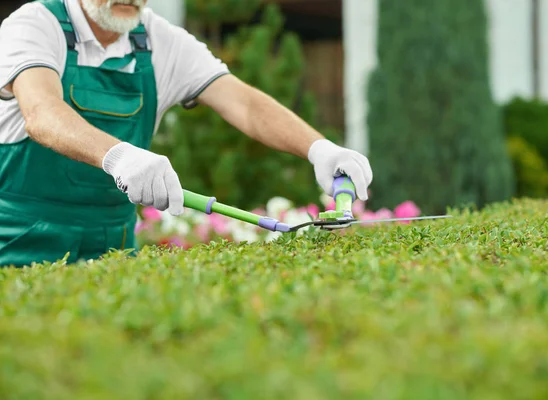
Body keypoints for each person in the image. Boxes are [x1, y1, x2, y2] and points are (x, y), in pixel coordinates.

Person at [0, 0, 373, 268]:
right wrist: (118, 156)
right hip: (20, 237)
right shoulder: (35, 24)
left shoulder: (160, 40)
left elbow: (242, 102)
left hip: (112, 241)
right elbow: (42, 112)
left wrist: (318, 147)